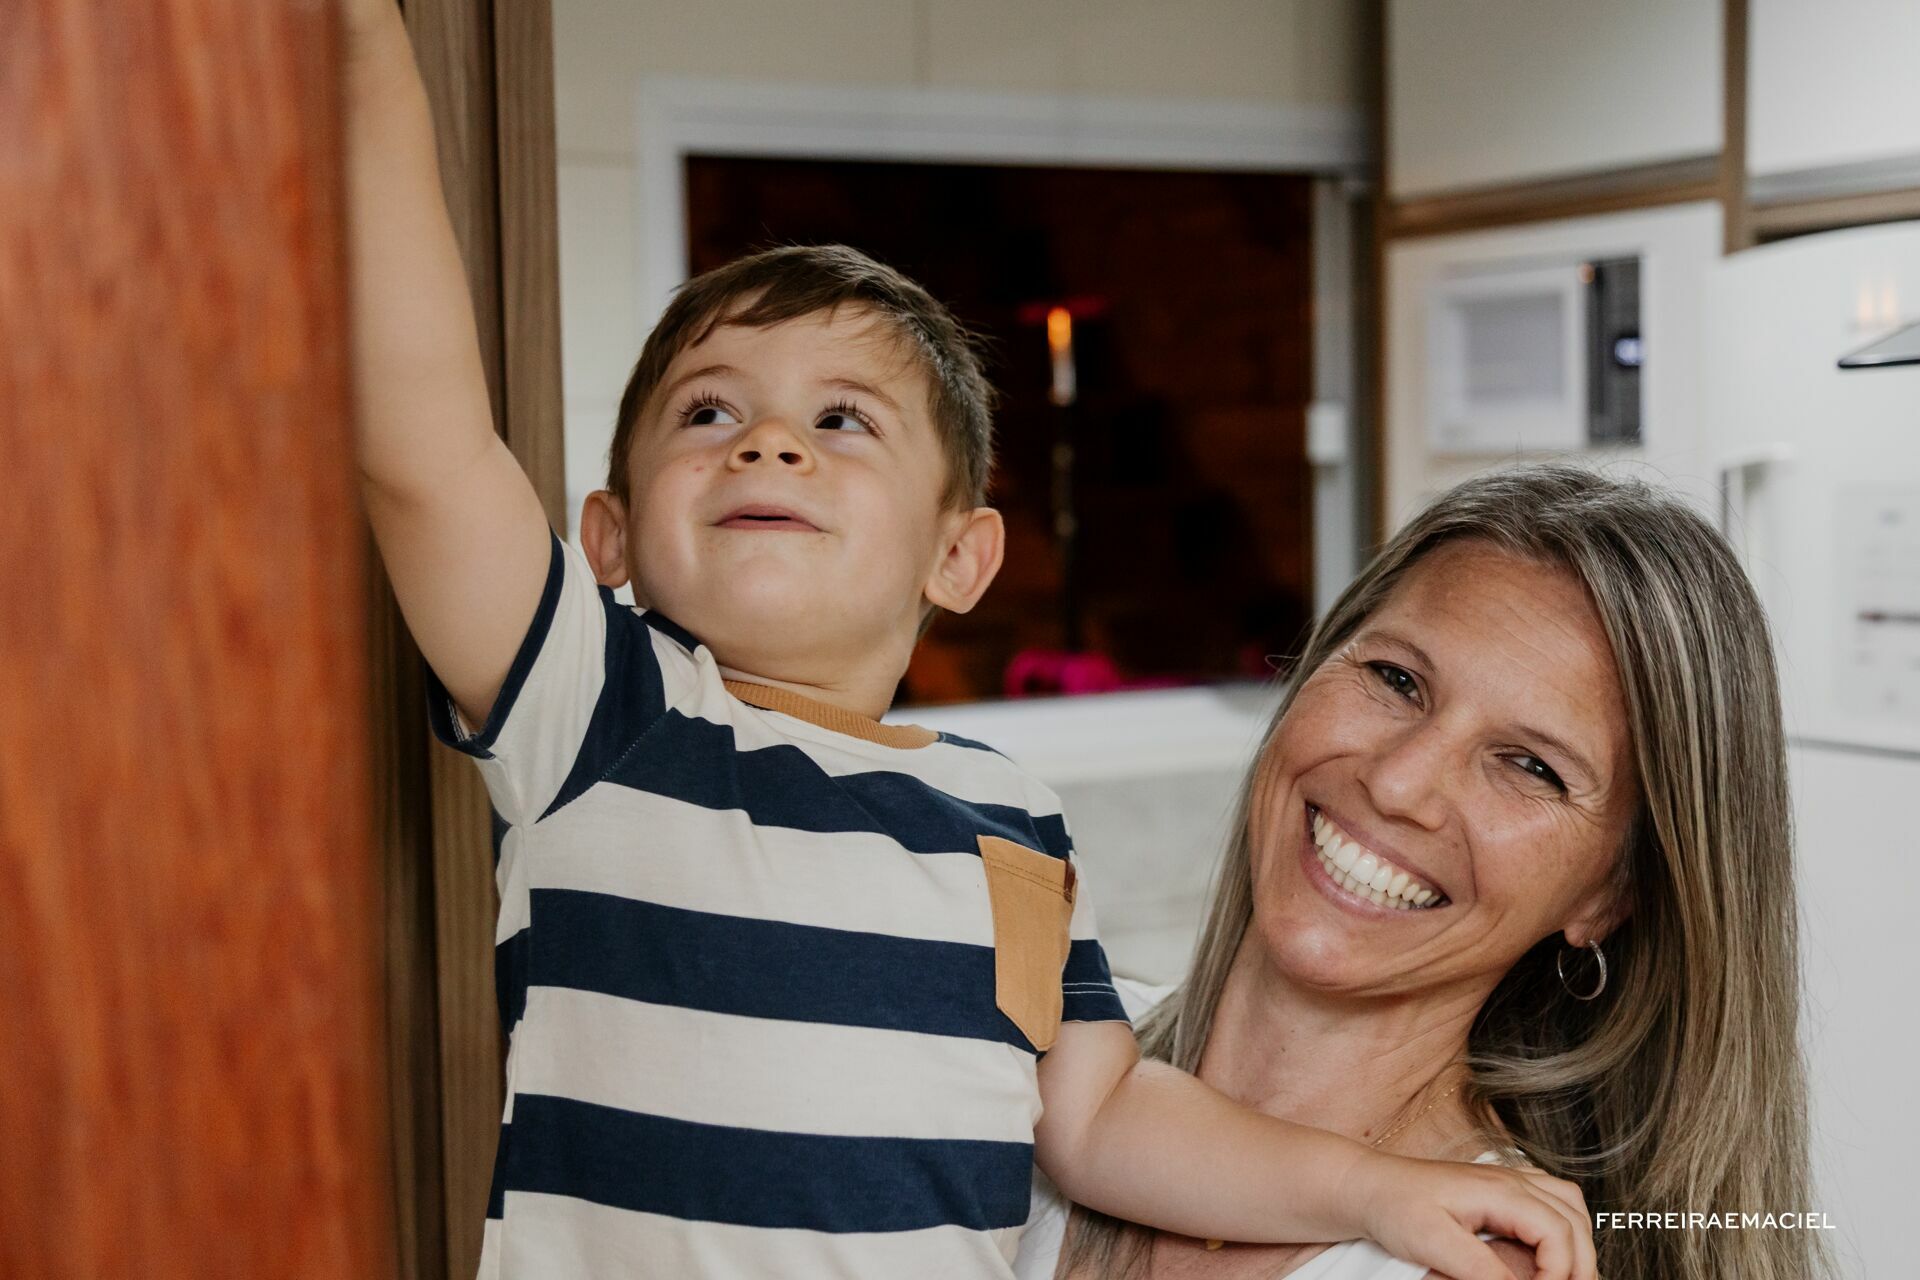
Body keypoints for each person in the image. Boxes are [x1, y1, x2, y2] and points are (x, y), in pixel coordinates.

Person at [341, 6, 1598, 1278]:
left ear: (961, 556)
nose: (767, 441)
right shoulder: (598, 714)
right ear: (607, 537)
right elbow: (427, 450)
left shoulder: (1009, 818)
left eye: (842, 420)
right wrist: (362, 55)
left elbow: (1106, 1115)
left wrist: (1377, 1193)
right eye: (708, 411)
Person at [1017, 465, 1830, 1280]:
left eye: (1530, 766)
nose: (1400, 784)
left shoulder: (1485, 1261)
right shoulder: (1031, 1053)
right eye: (1396, 679)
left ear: (1613, 894)